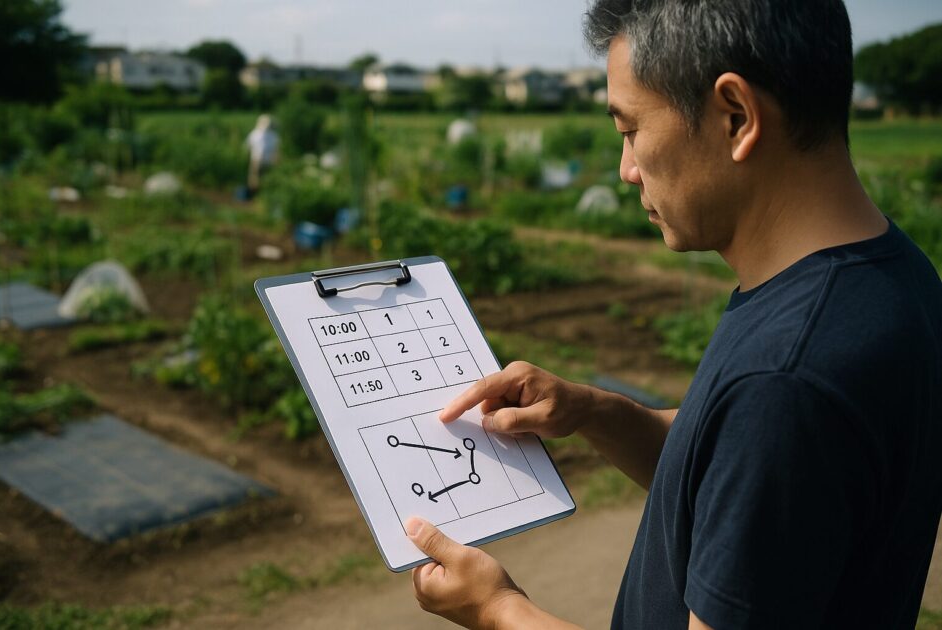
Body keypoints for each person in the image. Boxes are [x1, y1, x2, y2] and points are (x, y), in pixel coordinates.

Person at [404, 1, 942, 628]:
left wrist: (498, 609)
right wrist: (594, 411)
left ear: (735, 117)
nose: (626, 169)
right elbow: (739, 475)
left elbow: (767, 436)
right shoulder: (894, 279)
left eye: (630, 129)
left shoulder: (786, 379)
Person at [245, 113, 279, 195]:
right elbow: (249, 146)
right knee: (255, 178)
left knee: (263, 178)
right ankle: (254, 194)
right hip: (257, 159)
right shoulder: (256, 134)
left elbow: (276, 150)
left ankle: (260, 194)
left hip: (266, 160)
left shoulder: (273, 135)